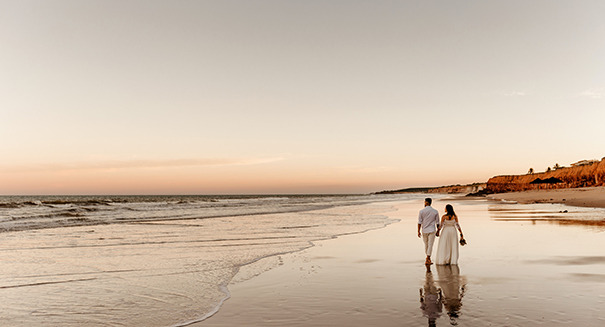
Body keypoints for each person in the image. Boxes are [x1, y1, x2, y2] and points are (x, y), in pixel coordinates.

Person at [417, 198, 440, 265]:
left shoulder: (421, 211)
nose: (424, 203)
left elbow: (419, 222)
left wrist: (418, 231)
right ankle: (428, 258)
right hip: (432, 230)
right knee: (430, 245)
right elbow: (438, 222)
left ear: (426, 202)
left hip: (424, 230)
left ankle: (427, 258)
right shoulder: (435, 211)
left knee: (426, 245)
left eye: (424, 202)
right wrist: (438, 231)